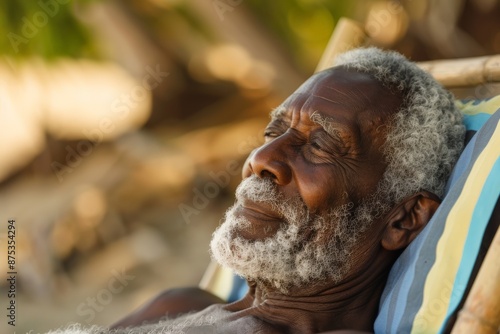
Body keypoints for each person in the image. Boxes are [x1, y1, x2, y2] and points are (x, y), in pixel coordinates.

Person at [50, 47, 465, 333]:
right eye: (273, 131)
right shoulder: (180, 305)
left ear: (404, 219)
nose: (261, 159)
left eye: (321, 145)